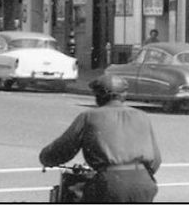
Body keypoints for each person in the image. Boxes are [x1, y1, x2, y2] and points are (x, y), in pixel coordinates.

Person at [40, 74, 162, 202]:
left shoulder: (89, 116)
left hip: (110, 184)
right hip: (144, 183)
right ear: (123, 95)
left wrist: (46, 158)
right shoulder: (142, 116)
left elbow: (63, 149)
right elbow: (156, 160)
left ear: (98, 96)